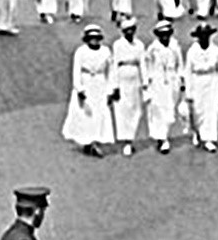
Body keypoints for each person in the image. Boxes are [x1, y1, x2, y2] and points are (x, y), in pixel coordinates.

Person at [61, 24, 116, 158]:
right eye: (91, 38)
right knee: (85, 114)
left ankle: (95, 142)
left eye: (97, 38)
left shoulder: (106, 52)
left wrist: (111, 90)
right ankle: (87, 141)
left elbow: (111, 72)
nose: (94, 41)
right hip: (86, 85)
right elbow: (76, 71)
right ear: (86, 39)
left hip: (100, 84)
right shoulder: (80, 52)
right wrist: (79, 88)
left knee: (99, 114)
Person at [184, 23, 218, 153]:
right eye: (202, 36)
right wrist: (188, 90)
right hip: (198, 81)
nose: (204, 38)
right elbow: (188, 71)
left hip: (212, 81)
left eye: (206, 35)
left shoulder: (216, 50)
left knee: (212, 110)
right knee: (198, 110)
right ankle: (197, 132)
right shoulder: (192, 52)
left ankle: (209, 139)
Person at [144, 20, 184, 154]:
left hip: (172, 80)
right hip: (157, 81)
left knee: (169, 109)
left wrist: (181, 79)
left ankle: (164, 134)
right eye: (162, 34)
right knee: (158, 109)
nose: (165, 37)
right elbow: (147, 66)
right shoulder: (152, 49)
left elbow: (180, 64)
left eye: (167, 34)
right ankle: (162, 139)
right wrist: (147, 83)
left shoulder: (175, 46)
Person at [111, 18, 146, 157]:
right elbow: (114, 65)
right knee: (123, 110)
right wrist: (115, 85)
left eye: (132, 29)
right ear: (123, 32)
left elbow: (142, 63)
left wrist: (145, 83)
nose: (130, 32)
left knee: (135, 109)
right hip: (122, 77)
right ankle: (126, 141)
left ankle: (131, 137)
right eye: (127, 30)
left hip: (135, 77)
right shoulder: (118, 45)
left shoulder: (139, 45)